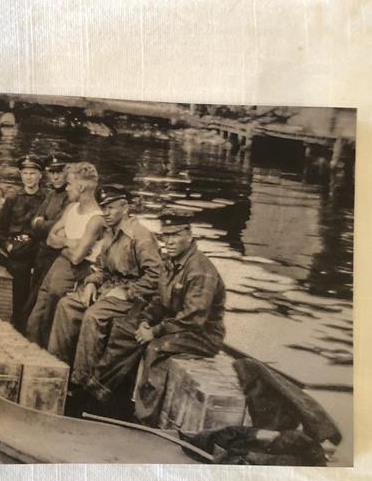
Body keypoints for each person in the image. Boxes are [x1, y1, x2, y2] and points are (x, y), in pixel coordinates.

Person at [91, 209, 226, 424]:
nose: (169, 241)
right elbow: (158, 300)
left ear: (189, 235)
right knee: (124, 329)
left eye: (175, 235)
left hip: (201, 335)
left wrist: (154, 332)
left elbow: (193, 318)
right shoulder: (169, 262)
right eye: (165, 235)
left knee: (155, 348)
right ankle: (101, 391)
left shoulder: (200, 270)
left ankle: (145, 417)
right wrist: (145, 321)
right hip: (175, 325)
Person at [47, 184, 162, 409]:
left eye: (111, 208)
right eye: (104, 208)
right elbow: (102, 267)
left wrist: (128, 291)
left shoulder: (140, 236)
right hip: (108, 288)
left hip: (134, 296)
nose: (106, 213)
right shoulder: (109, 232)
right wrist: (91, 282)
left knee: (93, 316)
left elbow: (156, 276)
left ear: (125, 208)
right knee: (67, 305)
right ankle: (56, 369)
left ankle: (81, 382)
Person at [25, 162, 105, 347]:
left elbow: (77, 258)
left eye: (69, 184)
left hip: (74, 272)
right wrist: (69, 242)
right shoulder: (71, 209)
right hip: (57, 266)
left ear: (81, 187)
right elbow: (50, 239)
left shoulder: (96, 219)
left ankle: (48, 354)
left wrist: (62, 244)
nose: (66, 188)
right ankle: (31, 347)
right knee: (35, 318)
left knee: (51, 321)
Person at [0, 154, 47, 332]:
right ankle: (18, 321)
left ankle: (33, 323)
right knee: (20, 272)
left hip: (37, 246)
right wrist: (8, 246)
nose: (29, 177)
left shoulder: (46, 198)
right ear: (20, 174)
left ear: (40, 175)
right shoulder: (13, 198)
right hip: (16, 247)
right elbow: (0, 228)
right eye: (25, 173)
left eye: (33, 173)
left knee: (41, 276)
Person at [27, 153, 72, 295]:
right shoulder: (51, 195)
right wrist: (41, 223)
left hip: (56, 254)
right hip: (42, 252)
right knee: (33, 289)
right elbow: (34, 222)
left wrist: (41, 223)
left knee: (42, 293)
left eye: (59, 172)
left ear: (68, 172)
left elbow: (59, 225)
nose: (55, 177)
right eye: (52, 172)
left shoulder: (71, 197)